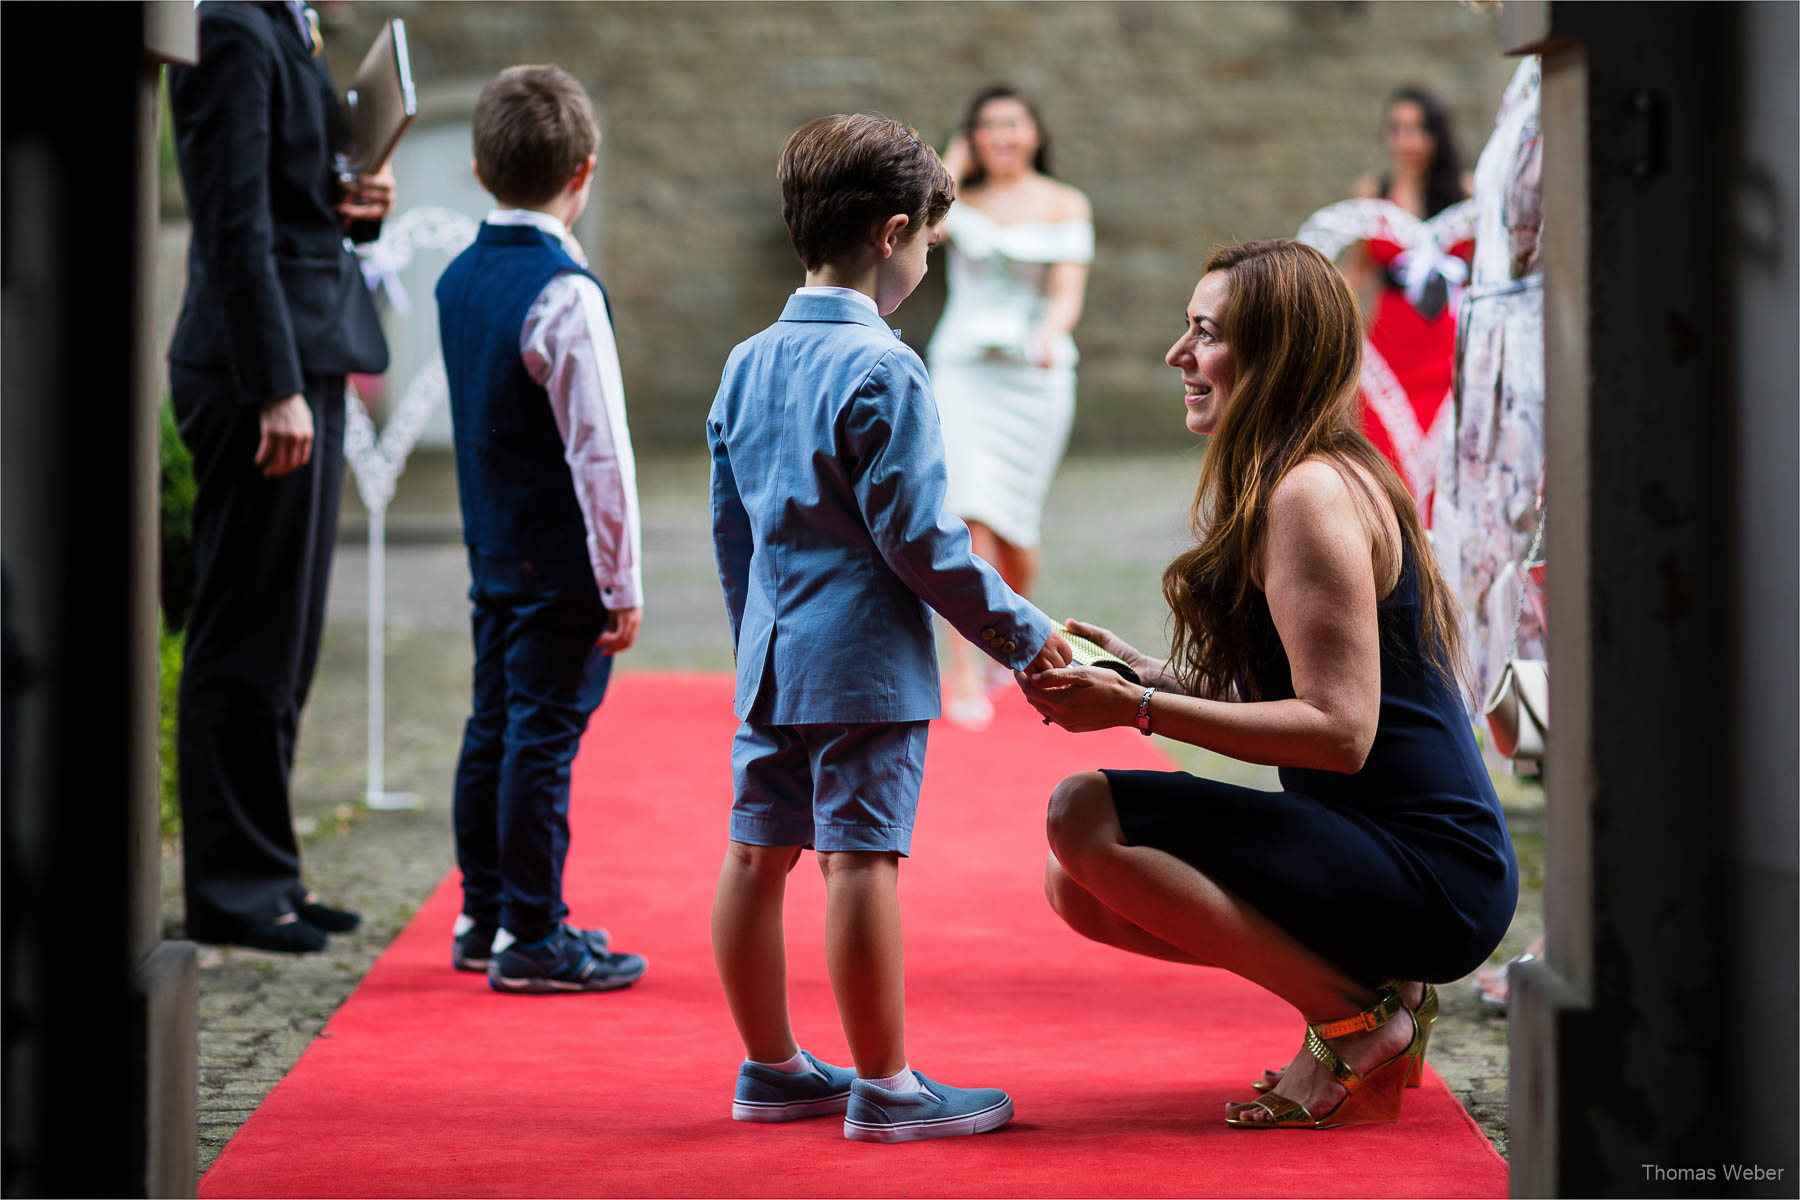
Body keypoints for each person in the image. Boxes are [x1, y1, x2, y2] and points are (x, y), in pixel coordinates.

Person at [1017, 240, 1517, 1130]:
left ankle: (1358, 1021)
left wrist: (1137, 710)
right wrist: (1146, 671)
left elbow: (1339, 731)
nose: (1179, 356)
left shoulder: (1309, 496)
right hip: (1375, 849)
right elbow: (1303, 690)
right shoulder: (1302, 478)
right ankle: (1370, 996)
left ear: (1272, 354)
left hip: (1433, 872)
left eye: (1204, 334)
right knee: (1077, 884)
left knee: (1081, 814)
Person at [707, 113, 1072, 1142]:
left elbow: (730, 527)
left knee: (754, 854)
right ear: (893, 232)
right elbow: (925, 544)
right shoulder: (887, 369)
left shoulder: (745, 362)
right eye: (928, 247)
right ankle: (888, 1088)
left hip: (771, 653)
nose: (924, 263)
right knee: (860, 860)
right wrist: (1027, 638)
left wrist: (753, 641)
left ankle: (773, 1068)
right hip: (863, 663)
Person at [166, 0, 393, 953]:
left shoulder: (283, 25)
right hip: (261, 375)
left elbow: (288, 201)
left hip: (310, 355)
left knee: (288, 641)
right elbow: (231, 223)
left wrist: (354, 204)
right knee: (246, 631)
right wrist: (273, 388)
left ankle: (272, 877)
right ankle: (232, 889)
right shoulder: (229, 27)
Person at [436, 66, 648, 995]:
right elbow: (601, 454)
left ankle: (482, 913)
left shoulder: (456, 276)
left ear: (480, 170)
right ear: (585, 171)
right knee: (541, 737)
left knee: (492, 726)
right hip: (562, 560)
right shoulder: (565, 294)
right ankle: (533, 933)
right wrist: (623, 579)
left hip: (491, 543)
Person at [928, 85, 1093, 728]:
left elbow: (1065, 294)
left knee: (1016, 533)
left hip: (1033, 378)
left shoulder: (1063, 203)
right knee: (965, 520)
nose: (1001, 136)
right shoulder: (955, 197)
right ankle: (963, 673)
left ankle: (1010, 632)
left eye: (1012, 124)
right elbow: (924, 229)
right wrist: (951, 164)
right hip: (964, 371)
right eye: (986, 126)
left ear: (1035, 132)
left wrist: (1050, 334)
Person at [1304, 88, 1476, 511]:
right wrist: (1317, 313)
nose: (1408, 141)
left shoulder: (1467, 194)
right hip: (1389, 353)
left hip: (1447, 352)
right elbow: (1358, 271)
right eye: (1397, 129)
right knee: (1385, 459)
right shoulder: (1373, 192)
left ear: (1437, 135)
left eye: (1418, 129)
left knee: (1445, 465)